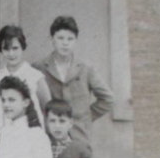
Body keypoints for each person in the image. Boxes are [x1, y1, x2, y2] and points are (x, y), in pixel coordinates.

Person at [33, 15, 113, 143]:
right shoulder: (39, 67)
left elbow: (108, 99)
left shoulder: (86, 68)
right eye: (60, 38)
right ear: (52, 39)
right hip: (49, 137)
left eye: (70, 39)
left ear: (75, 41)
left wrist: (85, 118)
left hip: (79, 135)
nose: (65, 43)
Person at [0, 24, 49, 123]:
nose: (11, 54)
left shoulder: (35, 77)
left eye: (15, 48)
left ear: (22, 47)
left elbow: (48, 110)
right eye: (6, 49)